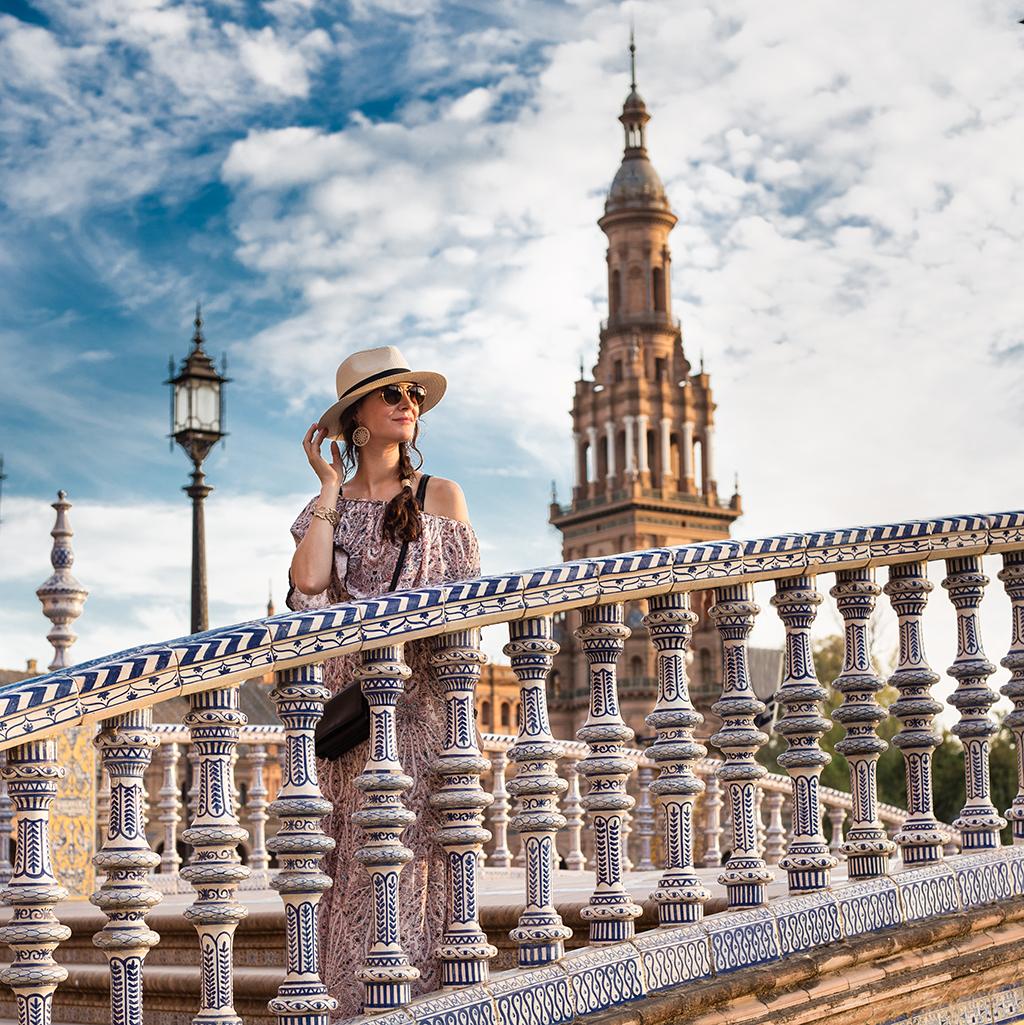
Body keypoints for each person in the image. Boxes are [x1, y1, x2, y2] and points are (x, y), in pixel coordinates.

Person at [286, 345, 480, 1016]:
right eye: (392, 392)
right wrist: (330, 487)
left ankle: (418, 1005)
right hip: (347, 724)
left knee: (413, 860)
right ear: (355, 418)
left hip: (418, 716)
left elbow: (465, 614)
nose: (408, 403)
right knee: (349, 869)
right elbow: (308, 583)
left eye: (413, 395)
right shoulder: (328, 507)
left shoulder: (441, 498)